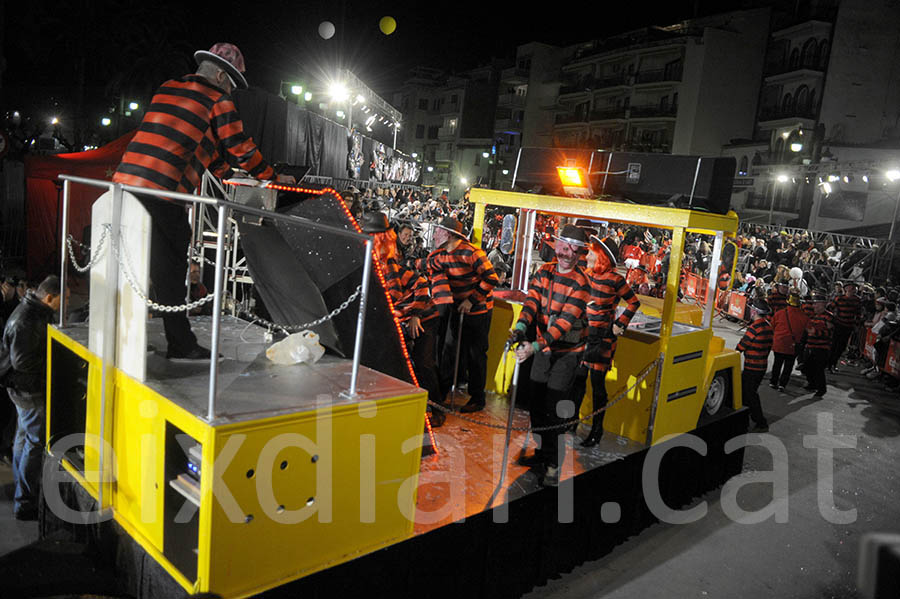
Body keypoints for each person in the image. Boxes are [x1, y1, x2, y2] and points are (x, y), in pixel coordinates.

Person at [113, 42, 284, 361]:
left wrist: (221, 171)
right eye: (231, 84)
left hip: (125, 183)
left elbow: (191, 141)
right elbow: (239, 147)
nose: (231, 92)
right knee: (170, 269)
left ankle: (125, 337)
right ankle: (181, 344)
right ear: (221, 75)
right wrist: (270, 176)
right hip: (163, 191)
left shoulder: (167, 88)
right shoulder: (217, 98)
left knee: (132, 264)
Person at [511, 224, 590, 486]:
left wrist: (534, 346)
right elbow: (532, 301)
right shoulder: (544, 271)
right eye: (562, 246)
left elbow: (564, 323)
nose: (565, 252)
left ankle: (554, 464)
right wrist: (521, 327)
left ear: (579, 252)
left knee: (554, 409)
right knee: (535, 403)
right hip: (543, 348)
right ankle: (542, 453)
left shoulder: (581, 283)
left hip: (566, 353)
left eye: (571, 248)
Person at [362, 213, 444, 427]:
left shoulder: (387, 261)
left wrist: (415, 315)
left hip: (424, 317)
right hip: (405, 319)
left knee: (424, 363)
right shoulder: (376, 261)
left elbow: (418, 286)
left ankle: (437, 411)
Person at [0, 275, 66, 520]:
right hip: (28, 390)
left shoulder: (33, 311)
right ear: (49, 297)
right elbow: (24, 362)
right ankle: (26, 501)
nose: (65, 303)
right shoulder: (27, 321)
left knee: (23, 438)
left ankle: (22, 491)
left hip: (21, 389)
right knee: (34, 443)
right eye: (64, 298)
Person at [426, 217, 498, 413]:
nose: (434, 235)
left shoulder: (472, 253)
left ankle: (477, 398)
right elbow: (429, 265)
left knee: (476, 354)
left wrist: (471, 300)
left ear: (448, 234)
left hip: (479, 310)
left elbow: (492, 278)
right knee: (450, 350)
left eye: (438, 231)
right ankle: (441, 393)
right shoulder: (439, 254)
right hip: (457, 308)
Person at [578, 235, 640, 447]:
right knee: (577, 380)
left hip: (603, 339)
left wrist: (620, 324)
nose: (587, 256)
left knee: (597, 385)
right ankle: (570, 422)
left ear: (601, 257)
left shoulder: (616, 280)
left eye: (591, 253)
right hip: (582, 335)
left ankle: (596, 431)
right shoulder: (585, 275)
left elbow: (633, 302)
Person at [736, 299, 773, 432]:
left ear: (755, 311)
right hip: (762, 366)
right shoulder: (768, 326)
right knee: (747, 393)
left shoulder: (754, 327)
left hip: (752, 366)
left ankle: (760, 421)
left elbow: (741, 346)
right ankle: (744, 420)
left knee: (750, 394)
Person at [769, 292, 808, 391]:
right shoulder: (804, 317)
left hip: (779, 343)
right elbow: (809, 330)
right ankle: (782, 384)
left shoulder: (779, 313)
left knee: (777, 364)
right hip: (793, 346)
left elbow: (772, 326)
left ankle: (773, 382)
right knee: (788, 366)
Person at [828, 280, 862, 372]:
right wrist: (831, 319)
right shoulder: (839, 298)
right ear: (846, 289)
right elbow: (830, 308)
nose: (853, 290)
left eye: (854, 288)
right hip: (838, 324)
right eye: (851, 288)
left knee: (841, 347)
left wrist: (856, 325)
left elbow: (858, 314)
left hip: (848, 326)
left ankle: (833, 364)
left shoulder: (857, 300)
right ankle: (829, 364)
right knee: (834, 345)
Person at [804, 291, 833, 397]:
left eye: (816, 303)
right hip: (811, 345)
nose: (813, 306)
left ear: (823, 304)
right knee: (807, 366)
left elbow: (829, 333)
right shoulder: (813, 316)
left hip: (822, 347)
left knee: (819, 369)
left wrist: (815, 332)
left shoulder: (829, 317)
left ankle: (821, 389)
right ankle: (812, 384)